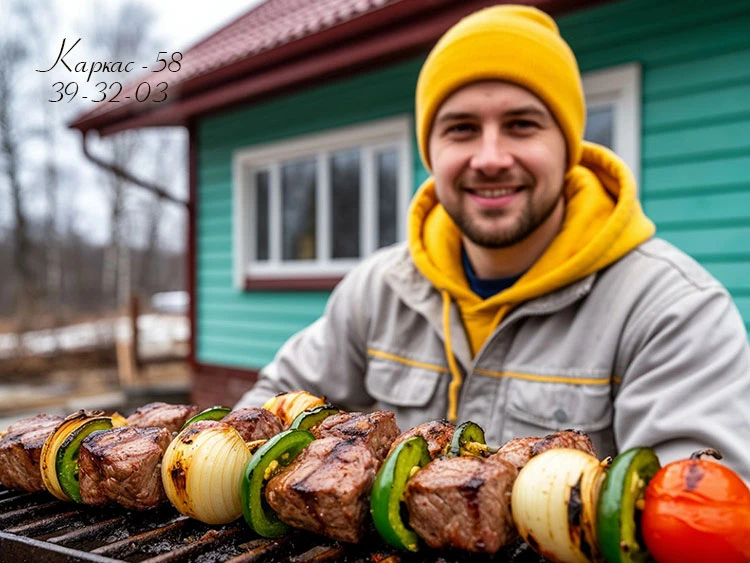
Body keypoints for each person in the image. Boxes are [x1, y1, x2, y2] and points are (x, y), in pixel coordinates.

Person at [236, 4, 750, 481]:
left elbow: (700, 510)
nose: (490, 158)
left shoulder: (670, 308)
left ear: (568, 145)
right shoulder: (379, 289)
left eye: (521, 125)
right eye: (461, 128)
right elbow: (263, 415)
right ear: (431, 152)